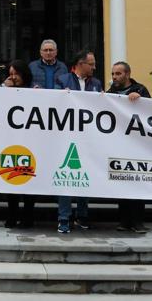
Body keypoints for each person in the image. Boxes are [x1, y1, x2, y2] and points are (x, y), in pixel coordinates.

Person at [55, 51, 102, 233]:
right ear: (81, 64)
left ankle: (82, 216)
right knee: (66, 177)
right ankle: (64, 218)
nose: (94, 67)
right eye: (91, 64)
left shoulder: (96, 83)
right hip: (66, 136)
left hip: (88, 138)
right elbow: (53, 101)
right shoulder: (63, 79)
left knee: (85, 177)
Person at [106, 61, 150, 233]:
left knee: (137, 182)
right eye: (113, 74)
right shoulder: (111, 93)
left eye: (118, 74)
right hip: (119, 144)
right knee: (122, 181)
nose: (115, 77)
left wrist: (140, 101)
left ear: (128, 74)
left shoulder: (140, 89)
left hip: (137, 144)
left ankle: (138, 222)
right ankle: (124, 221)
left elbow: (151, 111)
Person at [3, 60, 36, 229]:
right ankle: (12, 216)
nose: (13, 77)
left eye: (16, 74)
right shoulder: (5, 89)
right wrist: (4, 88)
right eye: (11, 73)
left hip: (30, 142)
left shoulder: (33, 90)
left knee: (29, 180)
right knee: (11, 178)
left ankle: (28, 217)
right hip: (11, 141)